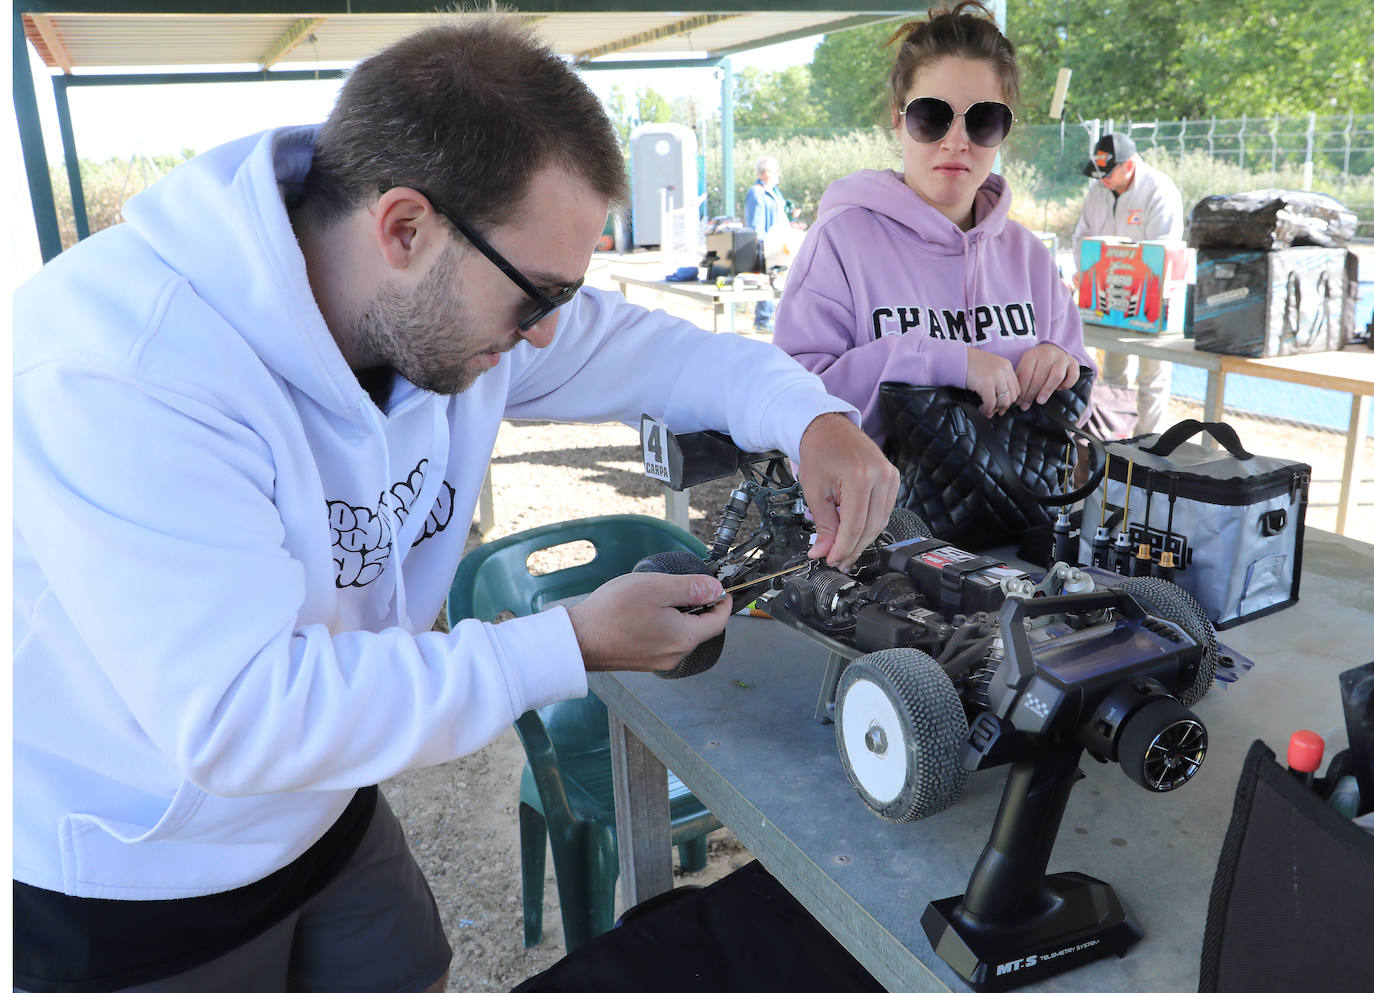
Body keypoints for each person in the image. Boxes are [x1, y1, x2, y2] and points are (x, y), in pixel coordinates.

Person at [11, 17, 899, 993]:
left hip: (327, 807)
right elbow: (242, 718)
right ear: (404, 228)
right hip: (135, 873)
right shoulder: (124, 367)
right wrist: (566, 644)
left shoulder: (444, 305)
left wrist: (812, 418)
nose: (550, 335)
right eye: (536, 297)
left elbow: (665, 352)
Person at [772, 1, 1094, 446]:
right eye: (932, 116)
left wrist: (1061, 362)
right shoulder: (840, 242)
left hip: (1020, 512)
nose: (956, 142)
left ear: (1005, 129)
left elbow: (1080, 385)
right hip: (878, 514)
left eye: (983, 119)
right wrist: (939, 360)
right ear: (897, 118)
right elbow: (793, 396)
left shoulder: (1029, 256)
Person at [1071, 132, 1185, 435]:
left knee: (1152, 375)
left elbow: (1164, 248)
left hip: (1150, 301)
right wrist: (1083, 269)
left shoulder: (1159, 190)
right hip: (1107, 301)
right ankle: (1113, 444)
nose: (1102, 180)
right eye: (1099, 174)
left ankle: (1148, 446)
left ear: (1130, 165)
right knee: (1112, 373)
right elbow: (1082, 235)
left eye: (1108, 173)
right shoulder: (1098, 190)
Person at [743, 155, 789, 331]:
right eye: (776, 171)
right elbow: (756, 225)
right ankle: (763, 321)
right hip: (767, 246)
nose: (778, 175)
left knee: (776, 281)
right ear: (766, 173)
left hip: (777, 244)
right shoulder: (757, 193)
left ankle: (768, 320)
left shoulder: (772, 191)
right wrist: (763, 247)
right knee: (767, 280)